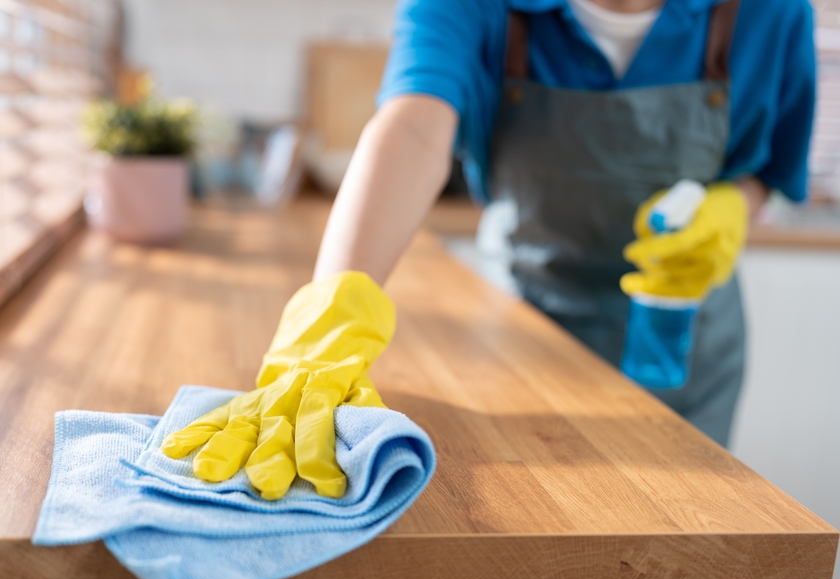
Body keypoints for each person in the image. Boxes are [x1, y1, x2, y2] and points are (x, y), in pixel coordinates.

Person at [165, 0, 817, 499]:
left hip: (683, 348)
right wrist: (329, 311)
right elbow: (416, 126)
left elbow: (772, 169)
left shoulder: (772, 11)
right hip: (520, 336)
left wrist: (735, 206)